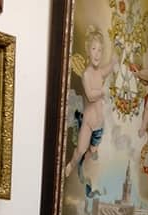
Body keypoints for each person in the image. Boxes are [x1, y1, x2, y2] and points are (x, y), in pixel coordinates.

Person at [65, 26, 118, 180]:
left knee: (93, 150)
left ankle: (87, 159)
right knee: (80, 150)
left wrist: (115, 58)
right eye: (94, 49)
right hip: (88, 122)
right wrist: (103, 91)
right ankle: (71, 164)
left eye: (100, 50)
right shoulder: (86, 74)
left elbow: (110, 67)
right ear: (88, 51)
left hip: (99, 124)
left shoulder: (100, 72)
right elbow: (90, 95)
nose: (97, 53)